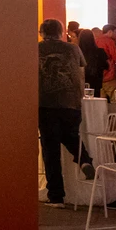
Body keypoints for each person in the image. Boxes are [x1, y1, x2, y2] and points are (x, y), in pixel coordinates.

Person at [37, 18, 88, 207]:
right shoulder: (73, 48)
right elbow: (82, 69)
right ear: (61, 32)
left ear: (42, 32)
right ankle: (84, 158)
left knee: (50, 150)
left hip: (45, 102)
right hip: (72, 102)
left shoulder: (36, 48)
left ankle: (56, 196)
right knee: (71, 135)